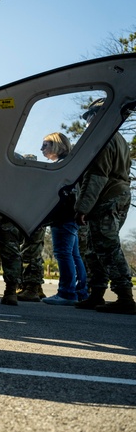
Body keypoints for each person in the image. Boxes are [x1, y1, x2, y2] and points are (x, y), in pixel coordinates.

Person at [73, 99, 133, 314]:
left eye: (90, 117)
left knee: (106, 247)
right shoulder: (119, 139)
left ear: (99, 116)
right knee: (95, 248)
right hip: (116, 195)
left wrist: (82, 207)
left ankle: (125, 296)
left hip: (106, 197)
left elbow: (96, 176)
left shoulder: (102, 139)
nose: (87, 122)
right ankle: (96, 295)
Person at [38, 132, 88, 305]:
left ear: (57, 145)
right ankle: (80, 292)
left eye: (45, 145)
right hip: (70, 216)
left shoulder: (62, 166)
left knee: (63, 253)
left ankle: (67, 293)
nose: (41, 149)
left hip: (63, 216)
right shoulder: (71, 164)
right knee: (74, 255)